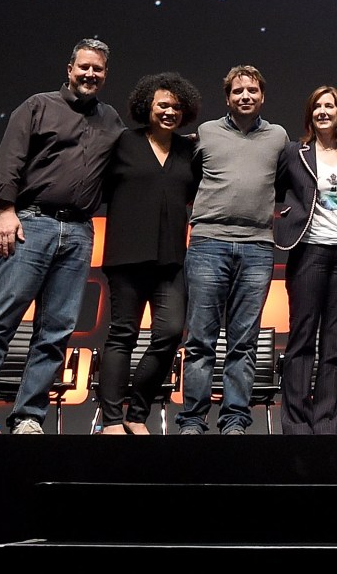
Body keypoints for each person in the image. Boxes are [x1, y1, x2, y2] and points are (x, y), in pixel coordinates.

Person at [0, 39, 123, 435]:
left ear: (105, 75)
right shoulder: (37, 106)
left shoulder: (111, 121)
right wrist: (5, 210)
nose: (90, 74)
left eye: (98, 70)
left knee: (56, 331)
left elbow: (136, 157)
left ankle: (29, 416)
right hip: (29, 224)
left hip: (79, 232)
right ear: (69, 68)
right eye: (84, 67)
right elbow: (9, 160)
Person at [176, 65, 289, 435]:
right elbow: (188, 181)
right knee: (200, 340)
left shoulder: (277, 136)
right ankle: (193, 420)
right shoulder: (207, 133)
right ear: (227, 97)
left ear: (262, 96)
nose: (246, 96)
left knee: (244, 342)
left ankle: (235, 420)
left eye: (253, 91)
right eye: (238, 91)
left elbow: (284, 184)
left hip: (257, 246)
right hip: (209, 243)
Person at [96, 72, 202, 435]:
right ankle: (111, 420)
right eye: (162, 105)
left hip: (171, 259)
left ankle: (136, 413)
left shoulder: (190, 151)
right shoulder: (123, 143)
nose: (169, 111)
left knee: (171, 333)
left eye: (176, 106)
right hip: (126, 256)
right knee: (122, 334)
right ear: (147, 107)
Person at [274, 86, 337, 435]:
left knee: (334, 339)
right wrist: (286, 215)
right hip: (308, 249)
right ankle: (296, 423)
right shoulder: (295, 153)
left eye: (330, 106)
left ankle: (326, 423)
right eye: (318, 106)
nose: (323, 111)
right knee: (301, 337)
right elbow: (274, 189)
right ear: (310, 114)